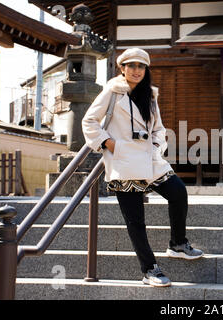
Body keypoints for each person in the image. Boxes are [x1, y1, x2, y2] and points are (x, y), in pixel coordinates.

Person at [81, 48, 203, 287]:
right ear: (122, 68)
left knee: (178, 192)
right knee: (135, 220)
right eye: (132, 65)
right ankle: (149, 269)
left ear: (146, 70)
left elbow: (158, 128)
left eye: (141, 66)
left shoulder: (150, 95)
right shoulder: (112, 92)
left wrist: (157, 145)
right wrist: (110, 143)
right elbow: (89, 121)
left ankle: (178, 243)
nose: (136, 70)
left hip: (150, 159)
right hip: (124, 161)